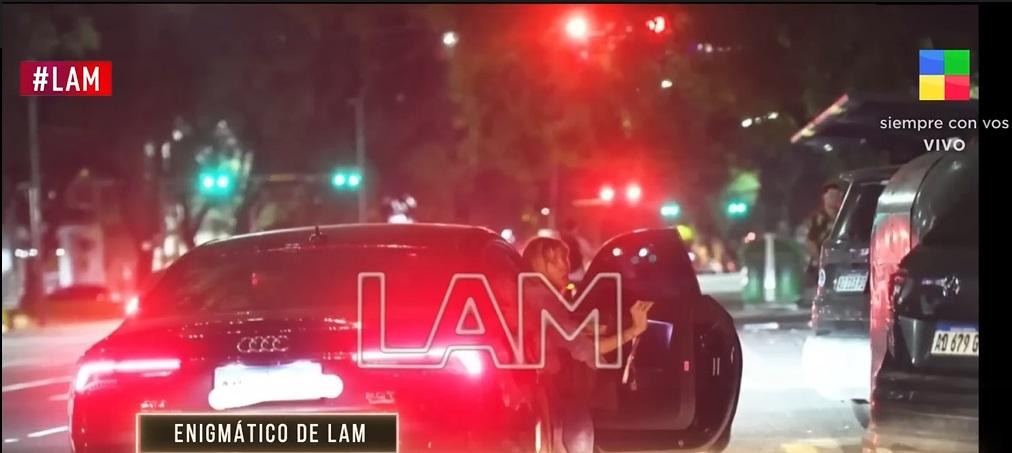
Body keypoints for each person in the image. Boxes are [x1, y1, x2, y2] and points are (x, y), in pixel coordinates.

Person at [522, 237, 653, 453]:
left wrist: (583, 330)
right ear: (537, 265)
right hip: (547, 393)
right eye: (553, 261)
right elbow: (585, 350)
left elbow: (561, 335)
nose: (564, 265)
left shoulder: (534, 293)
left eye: (564, 257)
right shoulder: (542, 298)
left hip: (543, 391)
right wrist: (634, 331)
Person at [805, 182, 844, 269]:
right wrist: (820, 260)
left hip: (840, 262)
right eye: (831, 195)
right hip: (822, 264)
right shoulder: (817, 219)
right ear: (824, 197)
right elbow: (811, 242)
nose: (835, 198)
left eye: (837, 195)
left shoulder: (844, 217)